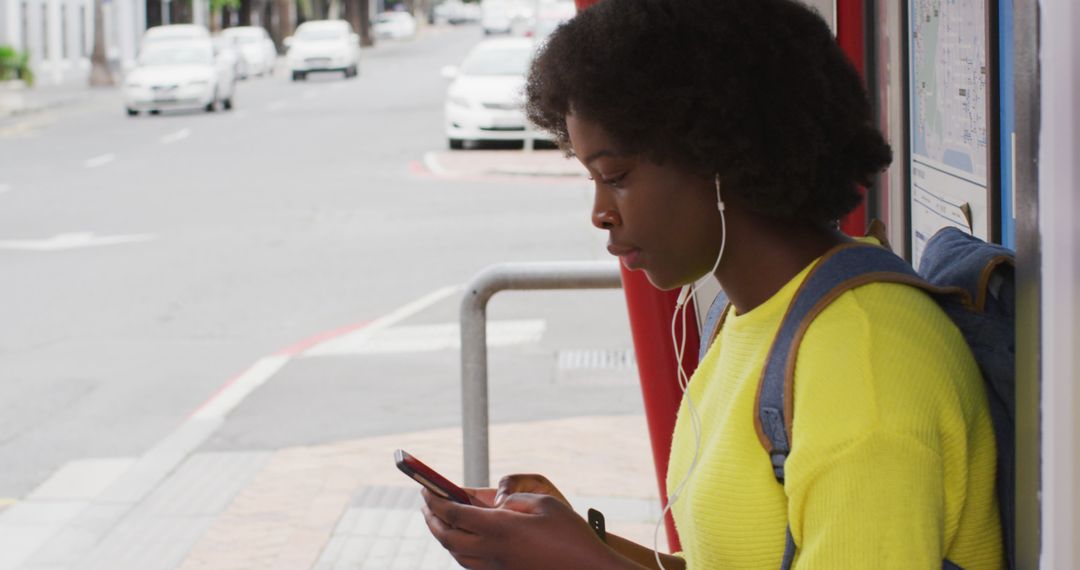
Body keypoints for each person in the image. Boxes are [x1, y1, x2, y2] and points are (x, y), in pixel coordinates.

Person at [421, 0, 1003, 567]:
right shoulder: (750, 315)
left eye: (616, 176)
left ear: (718, 152)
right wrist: (574, 544)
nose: (599, 211)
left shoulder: (865, 364)